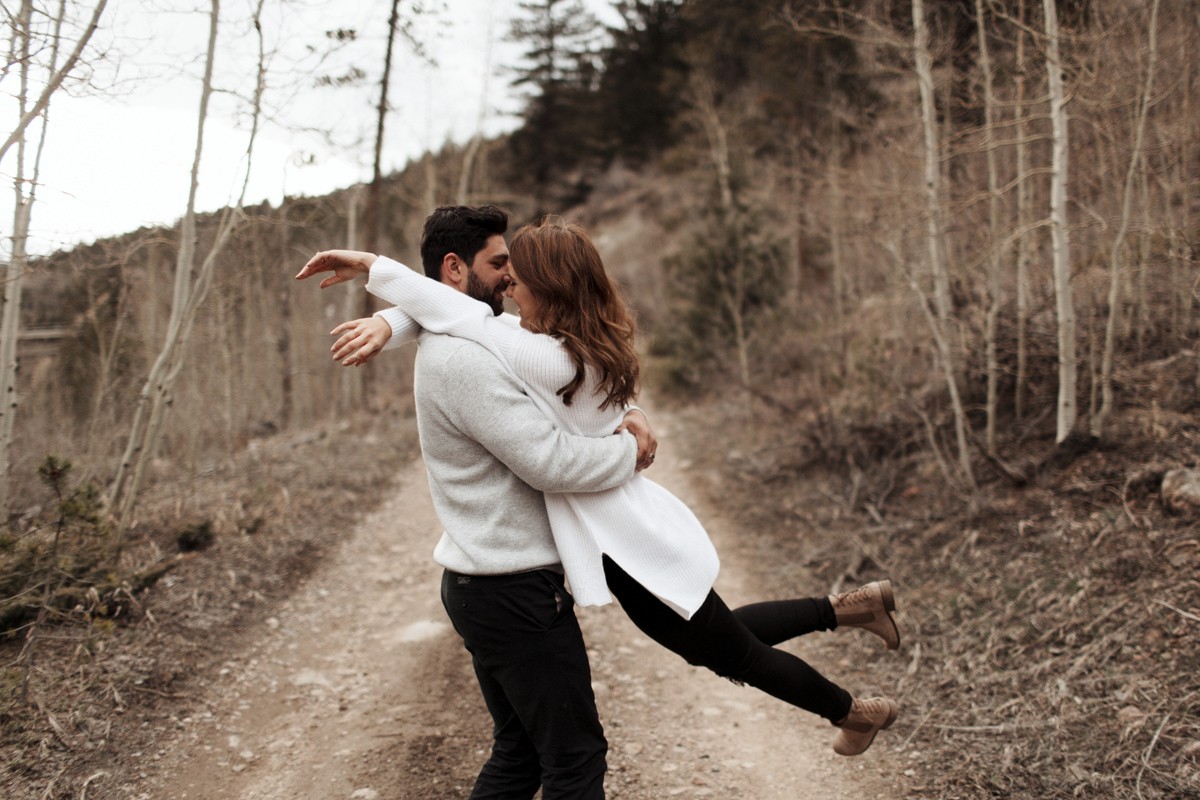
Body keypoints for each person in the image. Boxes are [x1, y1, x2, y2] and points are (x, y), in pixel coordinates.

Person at [303, 212, 901, 758]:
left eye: (517, 278)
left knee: (729, 649)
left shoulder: (540, 355)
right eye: (503, 272)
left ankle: (852, 711)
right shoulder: (591, 338)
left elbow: (467, 318)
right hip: (629, 526)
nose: (509, 287)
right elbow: (467, 316)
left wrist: (378, 275)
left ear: (551, 287)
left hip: (619, 538)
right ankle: (850, 609)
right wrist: (391, 315)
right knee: (718, 634)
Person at [298, 206, 657, 799]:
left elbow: (557, 362)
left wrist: (629, 408)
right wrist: (630, 454)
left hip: (490, 585)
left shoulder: (471, 334)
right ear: (454, 268)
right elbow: (549, 462)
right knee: (575, 759)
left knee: (520, 756)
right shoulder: (463, 359)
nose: (512, 281)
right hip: (510, 590)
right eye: (499, 266)